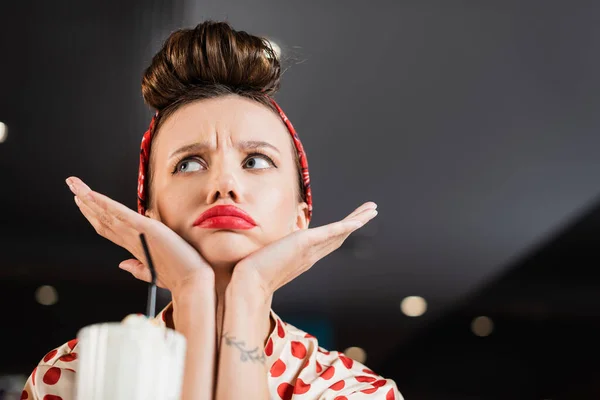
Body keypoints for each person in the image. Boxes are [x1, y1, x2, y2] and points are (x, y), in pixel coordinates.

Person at [21, 21, 402, 400]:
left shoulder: (357, 391)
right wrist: (191, 292)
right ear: (149, 216)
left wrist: (249, 293)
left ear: (300, 219)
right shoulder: (72, 375)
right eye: (188, 164)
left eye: (255, 161)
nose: (224, 184)